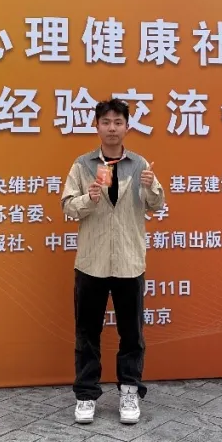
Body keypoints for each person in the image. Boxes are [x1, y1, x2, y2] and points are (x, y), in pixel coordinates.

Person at [61, 98, 164, 425]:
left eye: (118, 122)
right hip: (91, 262)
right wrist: (88, 198)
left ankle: (129, 390)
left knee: (131, 333)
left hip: (129, 262)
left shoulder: (140, 164)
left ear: (127, 127)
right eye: (106, 122)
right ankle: (86, 394)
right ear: (97, 127)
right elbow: (67, 206)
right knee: (87, 332)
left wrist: (151, 188)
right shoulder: (83, 165)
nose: (112, 128)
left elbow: (157, 205)